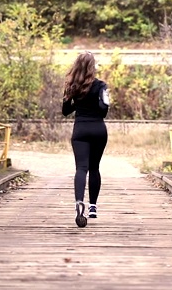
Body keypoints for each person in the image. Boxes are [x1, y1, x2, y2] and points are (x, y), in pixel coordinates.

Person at [62, 51, 110, 228]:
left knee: (81, 168)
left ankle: (79, 202)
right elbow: (104, 109)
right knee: (95, 168)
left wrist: (78, 102)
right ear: (92, 67)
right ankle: (93, 208)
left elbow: (65, 111)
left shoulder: (71, 86)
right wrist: (94, 102)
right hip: (98, 129)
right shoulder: (101, 85)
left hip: (80, 130)